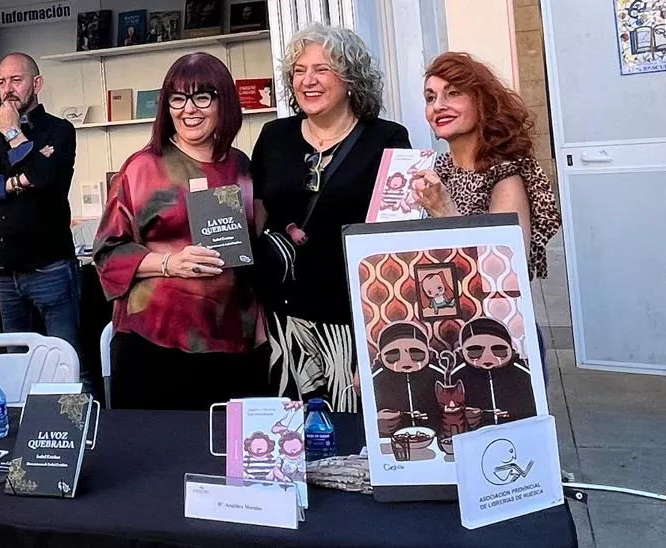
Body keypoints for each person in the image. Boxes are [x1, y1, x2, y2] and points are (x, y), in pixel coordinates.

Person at [250, 23, 411, 413]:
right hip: (281, 323)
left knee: (346, 438)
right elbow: (255, 218)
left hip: (352, 322)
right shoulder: (274, 136)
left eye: (322, 69)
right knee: (284, 442)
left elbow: (398, 245)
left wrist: (379, 337)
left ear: (351, 78)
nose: (308, 80)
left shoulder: (388, 139)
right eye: (299, 71)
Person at [94, 52, 268, 410]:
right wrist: (170, 262)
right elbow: (107, 253)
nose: (189, 109)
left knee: (229, 457)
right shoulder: (142, 169)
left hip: (235, 342)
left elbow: (256, 243)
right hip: (155, 344)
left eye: (202, 96)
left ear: (224, 102)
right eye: (177, 98)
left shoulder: (242, 167)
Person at [0, 52, 80, 349]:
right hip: (6, 271)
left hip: (49, 268)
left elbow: (42, 177)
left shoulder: (60, 130)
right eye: (2, 81)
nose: (7, 89)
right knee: (17, 360)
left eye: (16, 79)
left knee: (67, 360)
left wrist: (13, 133)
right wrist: (16, 182)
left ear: (36, 83)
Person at [409, 51, 561, 283]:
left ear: (481, 103)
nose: (438, 106)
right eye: (430, 98)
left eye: (453, 94)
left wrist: (444, 210)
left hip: (493, 317)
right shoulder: (437, 169)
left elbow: (504, 269)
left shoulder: (504, 172)